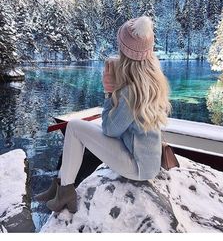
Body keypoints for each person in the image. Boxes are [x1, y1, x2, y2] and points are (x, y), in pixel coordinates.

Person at [35, 15, 171, 213]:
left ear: (126, 53)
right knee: (76, 129)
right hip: (146, 161)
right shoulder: (152, 80)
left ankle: (64, 191)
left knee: (73, 127)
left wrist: (109, 92)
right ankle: (58, 186)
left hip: (137, 167)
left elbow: (109, 129)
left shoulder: (131, 91)